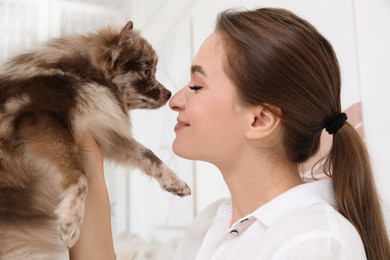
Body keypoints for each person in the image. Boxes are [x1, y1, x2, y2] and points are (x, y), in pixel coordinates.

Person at [70, 7, 390, 260]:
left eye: (197, 86)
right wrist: (88, 157)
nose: (176, 99)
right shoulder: (211, 223)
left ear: (259, 120)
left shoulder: (315, 243)